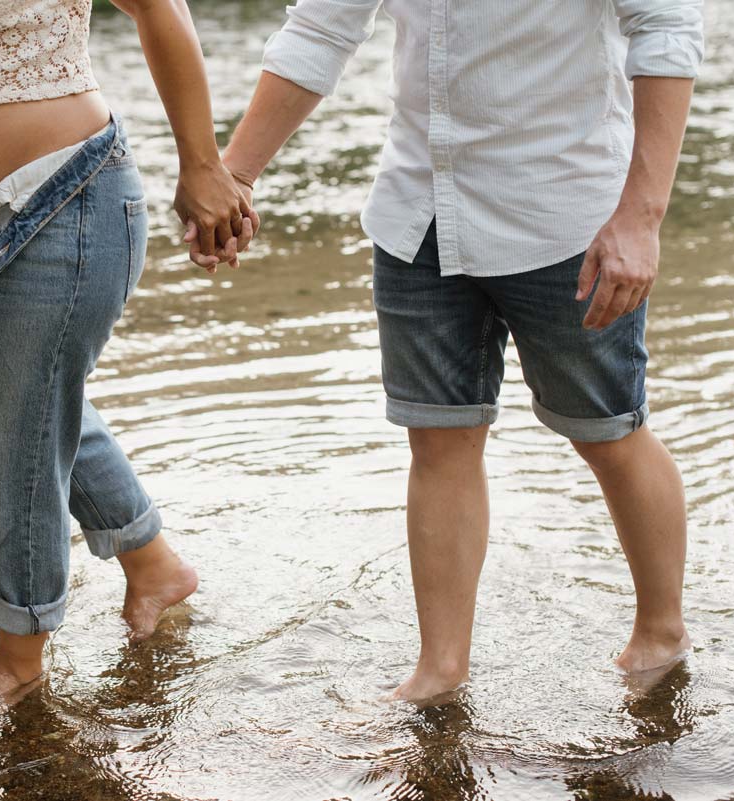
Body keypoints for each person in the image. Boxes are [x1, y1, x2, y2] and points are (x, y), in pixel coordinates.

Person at [207, 0, 704, 701]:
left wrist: (642, 216)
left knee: (609, 434)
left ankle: (662, 631)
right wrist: (233, 176)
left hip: (566, 219)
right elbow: (323, 27)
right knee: (437, 440)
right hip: (419, 213)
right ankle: (440, 670)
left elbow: (667, 26)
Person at [0, 0, 258, 704]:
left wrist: (203, 165)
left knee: (8, 440)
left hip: (55, 202)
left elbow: (159, 7)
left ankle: (20, 656)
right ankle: (154, 565)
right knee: (22, 411)